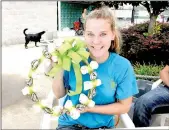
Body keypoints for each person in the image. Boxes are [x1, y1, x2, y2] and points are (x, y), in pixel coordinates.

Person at [53, 6, 138, 130]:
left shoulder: (122, 66)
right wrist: (59, 66)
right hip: (70, 125)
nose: (96, 41)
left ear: (113, 35)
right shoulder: (74, 58)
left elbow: (124, 106)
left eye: (103, 34)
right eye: (90, 34)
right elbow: (59, 94)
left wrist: (90, 108)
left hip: (102, 127)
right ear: (84, 35)